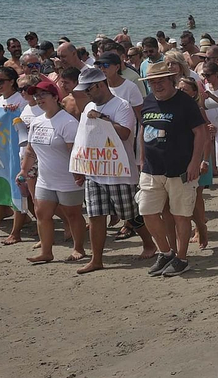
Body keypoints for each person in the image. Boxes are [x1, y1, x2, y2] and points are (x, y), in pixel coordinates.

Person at [136, 58, 211, 277]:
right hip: (152, 168)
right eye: (152, 82)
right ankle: (165, 253)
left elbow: (200, 132)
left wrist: (196, 162)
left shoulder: (185, 102)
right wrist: (141, 159)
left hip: (180, 168)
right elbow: (143, 130)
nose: (156, 85)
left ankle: (181, 258)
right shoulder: (148, 101)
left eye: (160, 81)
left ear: (171, 80)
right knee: (147, 211)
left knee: (181, 215)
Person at [72, 65, 136, 274]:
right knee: (96, 216)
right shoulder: (88, 107)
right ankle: (96, 259)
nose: (87, 93)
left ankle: (149, 243)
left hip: (119, 171)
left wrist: (101, 118)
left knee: (131, 214)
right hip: (95, 171)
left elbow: (125, 134)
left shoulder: (121, 105)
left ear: (99, 85)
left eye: (89, 89)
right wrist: (79, 166)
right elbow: (84, 138)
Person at [18, 81, 87, 264]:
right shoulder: (37, 122)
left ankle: (79, 248)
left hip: (68, 179)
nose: (39, 98)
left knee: (73, 215)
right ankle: (46, 252)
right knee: (42, 214)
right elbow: (31, 150)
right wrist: (24, 171)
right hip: (45, 179)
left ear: (56, 97)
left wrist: (78, 173)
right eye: (36, 95)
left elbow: (76, 152)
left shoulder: (68, 122)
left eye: (43, 95)